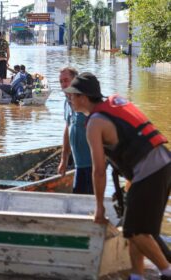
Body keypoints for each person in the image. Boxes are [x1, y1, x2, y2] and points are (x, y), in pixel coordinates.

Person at [64, 72, 171, 280]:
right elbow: (136, 142)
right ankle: (137, 276)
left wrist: (99, 208)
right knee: (134, 230)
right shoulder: (113, 106)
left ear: (83, 98)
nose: (69, 99)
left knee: (135, 231)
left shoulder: (95, 123)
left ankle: (167, 271)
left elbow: (98, 170)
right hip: (163, 164)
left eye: (72, 95)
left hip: (151, 171)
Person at [57, 67, 93, 194]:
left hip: (91, 165)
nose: (63, 84)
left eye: (66, 80)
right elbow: (68, 128)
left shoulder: (85, 101)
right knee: (78, 199)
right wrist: (64, 158)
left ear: (75, 80)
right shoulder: (67, 103)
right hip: (79, 165)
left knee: (87, 203)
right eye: (61, 81)